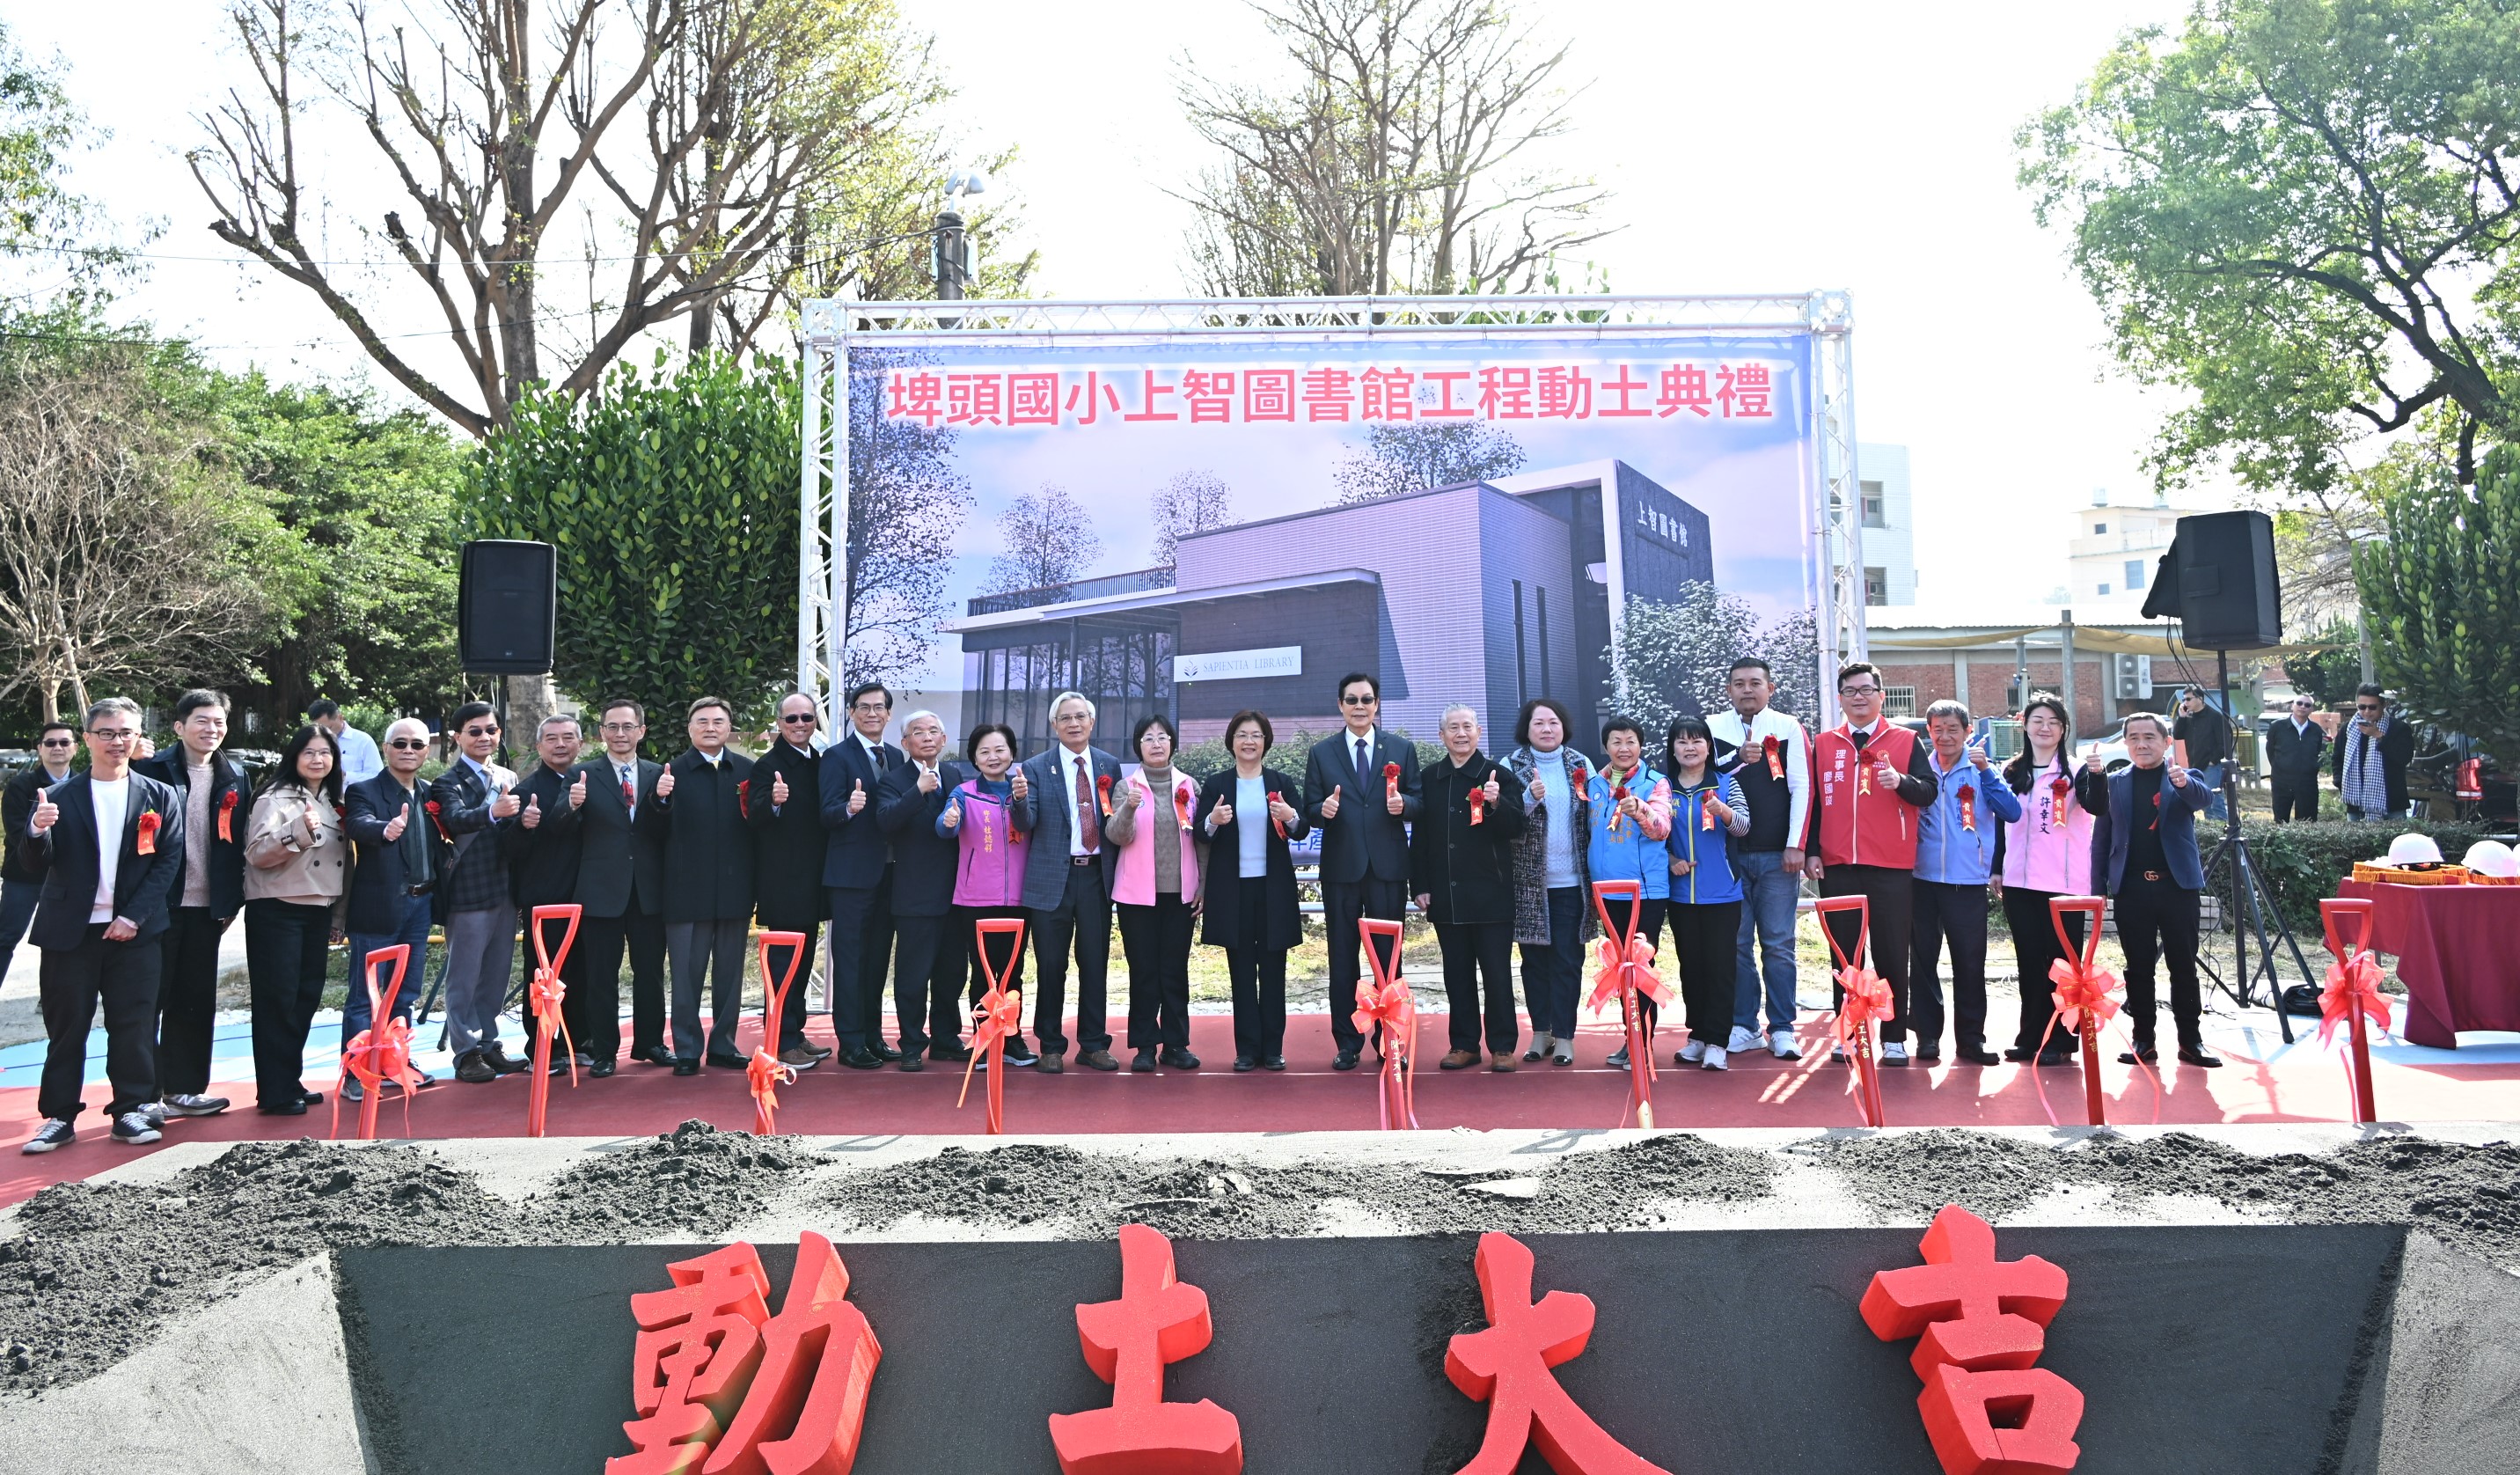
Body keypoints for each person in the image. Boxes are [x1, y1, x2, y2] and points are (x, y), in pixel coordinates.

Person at [19, 699, 185, 1152]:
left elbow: (169, 862)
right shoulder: (58, 796)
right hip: (70, 933)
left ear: (138, 738)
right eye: (107, 733)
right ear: (87, 739)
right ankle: (59, 1116)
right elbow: (33, 863)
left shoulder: (159, 795)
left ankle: (130, 1109)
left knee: (134, 1026)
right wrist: (36, 830)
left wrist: (133, 917)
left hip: (135, 932)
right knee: (66, 1028)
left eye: (126, 733)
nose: (117, 741)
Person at [1809, 663, 1938, 1066]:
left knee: (1891, 952)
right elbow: (1813, 803)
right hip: (1838, 865)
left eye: (1866, 690)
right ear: (1840, 699)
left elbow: (1928, 792)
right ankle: (1847, 1032)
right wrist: (1812, 851)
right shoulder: (1824, 744)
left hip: (1890, 865)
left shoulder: (1905, 740)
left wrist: (1901, 782)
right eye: (1850, 691)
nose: (1859, 697)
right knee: (1844, 956)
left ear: (1881, 695)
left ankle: (1894, 1037)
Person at [2078, 711, 2222, 1068]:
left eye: (2149, 737)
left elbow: (2203, 800)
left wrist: (2182, 783)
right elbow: (2101, 839)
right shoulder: (2114, 783)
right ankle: (2144, 1040)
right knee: (2138, 967)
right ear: (2126, 743)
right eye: (2134, 738)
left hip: (2177, 887)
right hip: (2131, 889)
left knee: (2183, 966)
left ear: (2166, 742)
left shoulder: (2184, 777)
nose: (2141, 744)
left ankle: (2191, 1041)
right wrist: (2098, 889)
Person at [131, 690, 248, 1119]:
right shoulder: (150, 769)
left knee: (195, 1000)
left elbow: (235, 843)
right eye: (202, 721)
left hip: (207, 907)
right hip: (157, 905)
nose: (211, 729)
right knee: (148, 1000)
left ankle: (185, 1089)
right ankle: (143, 1095)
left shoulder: (236, 774)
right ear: (179, 727)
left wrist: (229, 900)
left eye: (219, 722)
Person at [1303, 672, 1419, 1072]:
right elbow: (1310, 808)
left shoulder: (1400, 749)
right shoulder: (1322, 753)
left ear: (1377, 704)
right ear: (1340, 705)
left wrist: (1405, 804)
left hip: (1387, 869)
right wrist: (1323, 811)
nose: (1359, 706)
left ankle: (1390, 1041)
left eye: (1366, 699)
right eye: (1351, 700)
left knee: (1389, 961)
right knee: (1342, 960)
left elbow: (1419, 800)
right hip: (1342, 869)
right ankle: (1347, 1042)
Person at [1707, 657, 1813, 1061]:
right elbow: (1703, 778)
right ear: (1728, 690)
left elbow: (1802, 787)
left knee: (1779, 944)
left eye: (1755, 683)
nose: (1747, 690)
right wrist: (1738, 758)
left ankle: (1782, 1027)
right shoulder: (1712, 727)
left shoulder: (1787, 727)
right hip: (1728, 857)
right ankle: (1744, 1025)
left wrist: (1796, 844)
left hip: (1776, 857)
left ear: (1770, 688)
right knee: (1736, 944)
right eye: (1739, 684)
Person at [240, 725, 349, 1115]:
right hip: (277, 907)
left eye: (325, 753)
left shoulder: (335, 800)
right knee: (278, 1001)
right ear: (295, 757)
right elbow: (256, 854)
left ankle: (289, 1079)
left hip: (318, 909)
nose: (318, 760)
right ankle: (274, 1091)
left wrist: (338, 915)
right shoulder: (274, 797)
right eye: (309, 753)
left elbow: (345, 864)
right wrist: (295, 832)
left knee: (305, 998)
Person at [1411, 704, 1527, 1072]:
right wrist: (1420, 885)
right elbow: (1420, 838)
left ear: (1479, 732)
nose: (1461, 734)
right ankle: (1463, 1044)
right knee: (1456, 974)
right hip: (1447, 894)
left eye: (1467, 727)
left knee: (1497, 975)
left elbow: (1516, 827)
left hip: (1492, 894)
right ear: (1441, 735)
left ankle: (1503, 1047)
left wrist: (1495, 802)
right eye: (1453, 728)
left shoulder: (1499, 776)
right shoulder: (1429, 778)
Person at [1195, 710, 1310, 1072]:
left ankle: (1273, 1048)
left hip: (1273, 890)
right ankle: (1246, 1049)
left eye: (1256, 735)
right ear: (1232, 741)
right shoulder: (1217, 784)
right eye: (1242, 735)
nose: (1249, 741)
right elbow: (1200, 833)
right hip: (1234, 891)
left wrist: (1290, 815)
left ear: (1266, 742)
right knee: (1241, 971)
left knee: (1274, 970)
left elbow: (1302, 829)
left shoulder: (1280, 782)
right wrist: (1212, 821)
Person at [1013, 691, 1120, 1073]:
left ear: (1092, 722)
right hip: (1050, 880)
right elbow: (1025, 822)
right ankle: (1051, 1046)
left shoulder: (1108, 765)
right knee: (1050, 965)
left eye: (1080, 717)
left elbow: (1116, 822)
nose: (1073, 723)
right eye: (1065, 718)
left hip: (1096, 877)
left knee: (1094, 962)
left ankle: (1093, 1044)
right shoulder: (1035, 767)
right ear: (1054, 725)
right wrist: (1019, 800)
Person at [1908, 701, 2018, 1068]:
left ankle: (1971, 1039)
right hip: (1921, 880)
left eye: (1953, 729)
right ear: (1928, 732)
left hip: (1967, 882)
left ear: (1968, 731)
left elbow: (2012, 812)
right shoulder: (1920, 769)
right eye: (1937, 729)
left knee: (1969, 964)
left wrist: (1987, 772)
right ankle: (1927, 1036)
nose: (1945, 737)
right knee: (1922, 961)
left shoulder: (1981, 769)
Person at [341, 717, 443, 1097]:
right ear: (386, 749)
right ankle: (357, 1074)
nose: (408, 750)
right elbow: (359, 823)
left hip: (422, 904)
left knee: (406, 992)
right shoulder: (363, 790)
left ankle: (396, 1062)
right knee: (365, 997)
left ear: (427, 751)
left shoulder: (430, 792)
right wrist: (384, 830)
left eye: (417, 745)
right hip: (379, 907)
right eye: (400, 743)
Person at [431, 701, 530, 1084]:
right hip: (469, 889)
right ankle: (465, 1051)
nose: (484, 737)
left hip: (505, 888)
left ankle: (489, 1043)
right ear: (457, 737)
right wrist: (493, 812)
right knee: (465, 976)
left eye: (491, 730)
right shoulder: (447, 781)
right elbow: (454, 819)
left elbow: (513, 829)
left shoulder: (507, 775)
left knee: (496, 974)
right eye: (475, 731)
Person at [657, 696, 756, 1074]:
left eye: (718, 721)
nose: (710, 728)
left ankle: (723, 1046)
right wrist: (660, 800)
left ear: (730, 728)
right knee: (686, 975)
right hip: (685, 892)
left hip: (734, 889)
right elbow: (653, 829)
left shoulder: (747, 770)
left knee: (730, 975)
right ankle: (686, 1050)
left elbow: (759, 827)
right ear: (690, 728)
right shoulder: (670, 773)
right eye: (702, 721)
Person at [573, 700, 671, 1071]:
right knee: (601, 977)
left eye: (627, 726)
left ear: (641, 731)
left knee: (651, 973)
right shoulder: (581, 774)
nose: (620, 733)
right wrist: (570, 806)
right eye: (612, 727)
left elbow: (666, 830)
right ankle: (603, 1051)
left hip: (648, 890)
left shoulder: (659, 774)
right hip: (600, 891)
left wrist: (663, 801)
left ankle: (650, 1043)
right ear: (602, 732)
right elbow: (562, 828)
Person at [1997, 694, 2095, 1067]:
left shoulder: (2078, 771)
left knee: (2062, 964)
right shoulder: (2011, 771)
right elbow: (2000, 823)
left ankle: (2061, 1040)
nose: (2045, 728)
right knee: (2029, 961)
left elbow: (2098, 807)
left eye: (2054, 722)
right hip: (2019, 882)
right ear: (2024, 725)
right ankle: (2031, 1036)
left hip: (2063, 884)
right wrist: (1996, 869)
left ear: (2063, 729)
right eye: (2038, 720)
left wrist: (2099, 775)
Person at [1105, 715, 1205, 1072]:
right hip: (1136, 897)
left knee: (1174, 970)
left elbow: (1201, 840)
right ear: (1139, 747)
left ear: (1173, 743)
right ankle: (1145, 1045)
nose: (1156, 743)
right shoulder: (1125, 787)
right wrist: (1129, 807)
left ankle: (1176, 1045)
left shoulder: (1189, 785)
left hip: (1181, 894)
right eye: (1148, 738)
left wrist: (1204, 884)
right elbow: (1117, 836)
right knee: (1144, 971)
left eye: (1163, 737)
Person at [876, 710, 969, 1069]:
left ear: (944, 740)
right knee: (913, 976)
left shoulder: (954, 775)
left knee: (952, 972)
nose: (927, 737)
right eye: (918, 732)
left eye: (934, 731)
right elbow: (885, 822)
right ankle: (912, 1044)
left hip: (955, 893)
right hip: (914, 893)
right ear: (905, 742)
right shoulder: (893, 780)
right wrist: (917, 792)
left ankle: (946, 1039)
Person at [818, 682, 903, 1070]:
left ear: (888, 714)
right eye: (864, 707)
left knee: (877, 959)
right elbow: (825, 813)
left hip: (892, 874)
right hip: (851, 877)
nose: (872, 713)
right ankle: (850, 1042)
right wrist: (849, 809)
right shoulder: (836, 756)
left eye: (879, 707)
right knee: (850, 960)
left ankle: (873, 1036)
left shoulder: (897, 756)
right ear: (851, 713)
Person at [1505, 697, 1593, 1068]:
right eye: (1538, 723)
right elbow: (1503, 822)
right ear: (1526, 729)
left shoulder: (1581, 764)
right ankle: (1541, 1032)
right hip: (1528, 883)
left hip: (1571, 882)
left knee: (1568, 960)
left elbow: (1594, 815)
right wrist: (1528, 798)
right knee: (1534, 962)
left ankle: (1565, 1036)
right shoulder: (1510, 766)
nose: (1546, 729)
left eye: (1553, 722)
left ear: (1564, 727)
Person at [1662, 716, 1753, 1069]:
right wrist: (1671, 860)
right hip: (1680, 895)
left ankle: (1718, 1041)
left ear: (1709, 747)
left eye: (1697, 741)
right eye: (1682, 741)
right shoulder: (1663, 789)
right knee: (1691, 967)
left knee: (1720, 968)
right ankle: (1698, 1035)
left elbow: (1744, 827)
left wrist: (1725, 812)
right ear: (1673, 749)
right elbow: (1653, 834)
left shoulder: (1727, 783)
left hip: (1722, 893)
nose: (1690, 747)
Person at [750, 693, 831, 1070]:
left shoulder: (820, 761)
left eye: (807, 718)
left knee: (803, 964)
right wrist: (774, 801)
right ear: (780, 723)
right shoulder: (768, 766)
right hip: (783, 883)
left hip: (813, 881)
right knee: (783, 968)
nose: (800, 724)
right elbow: (754, 819)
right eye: (792, 718)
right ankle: (780, 1042)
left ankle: (794, 1034)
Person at [1586, 717, 1672, 1072]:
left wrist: (1642, 812)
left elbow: (1662, 829)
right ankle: (1630, 1037)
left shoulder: (1655, 783)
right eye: (1616, 741)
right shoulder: (1593, 785)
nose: (1624, 748)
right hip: (1606, 893)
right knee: (1619, 970)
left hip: (1644, 893)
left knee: (1639, 967)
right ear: (1606, 746)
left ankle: (1643, 1043)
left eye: (1631, 741)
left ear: (1641, 746)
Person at [941, 723, 1029, 1066]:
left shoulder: (1023, 791)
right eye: (985, 752)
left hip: (1019, 899)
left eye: (1000, 750)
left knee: (1013, 973)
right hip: (976, 899)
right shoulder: (964, 793)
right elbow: (945, 825)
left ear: (1012, 753)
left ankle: (1012, 1040)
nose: (993, 757)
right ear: (974, 759)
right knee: (983, 973)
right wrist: (949, 821)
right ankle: (984, 1040)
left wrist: (1021, 799)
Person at [506, 714, 590, 1074]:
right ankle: (541, 1046)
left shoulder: (591, 780)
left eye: (568, 737)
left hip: (589, 894)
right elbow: (509, 850)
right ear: (538, 746)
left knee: (584, 971)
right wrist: (524, 827)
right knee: (543, 975)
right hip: (545, 898)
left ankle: (581, 1039)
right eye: (552, 738)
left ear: (580, 744)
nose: (560, 744)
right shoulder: (527, 791)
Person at [2, 720, 78, 986]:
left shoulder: (85, 784)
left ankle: (53, 998)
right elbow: (16, 832)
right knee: (6, 937)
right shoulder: (21, 785)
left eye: (64, 742)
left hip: (67, 878)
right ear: (40, 748)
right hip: (23, 876)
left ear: (76, 747)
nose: (58, 747)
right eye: (50, 742)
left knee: (65, 941)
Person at [2333, 685, 2414, 822]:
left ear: (2384, 705)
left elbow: (2404, 758)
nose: (2367, 712)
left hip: (2392, 805)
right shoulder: (2348, 729)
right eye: (2362, 707)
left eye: (2372, 707)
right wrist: (2340, 782)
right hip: (2355, 805)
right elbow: (2337, 759)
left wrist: (2378, 735)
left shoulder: (2398, 728)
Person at [2264, 695, 2328, 824]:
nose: (2303, 707)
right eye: (2299, 703)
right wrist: (2280, 767)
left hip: (2307, 782)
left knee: (2307, 822)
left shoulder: (2316, 730)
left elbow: (2319, 752)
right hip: (2282, 781)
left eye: (2307, 705)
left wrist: (2312, 767)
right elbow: (2270, 750)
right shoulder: (2277, 727)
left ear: (2311, 709)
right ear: (2292, 706)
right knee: (2280, 821)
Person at [2172, 688, 2234, 821]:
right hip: (2195, 765)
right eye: (2184, 700)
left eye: (2188, 699)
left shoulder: (2214, 716)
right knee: (2204, 800)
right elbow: (2177, 735)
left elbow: (2224, 742)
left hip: (2210, 766)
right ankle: (2210, 826)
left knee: (2215, 799)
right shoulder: (2189, 717)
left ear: (2200, 699)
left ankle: (2221, 825)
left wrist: (2213, 760)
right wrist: (2181, 718)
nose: (2185, 703)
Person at [310, 700, 384, 786]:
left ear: (340, 718)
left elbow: (377, 777)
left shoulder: (364, 741)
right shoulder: (312, 742)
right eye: (319, 729)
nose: (324, 733)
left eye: (329, 728)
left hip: (353, 794)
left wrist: (345, 776)